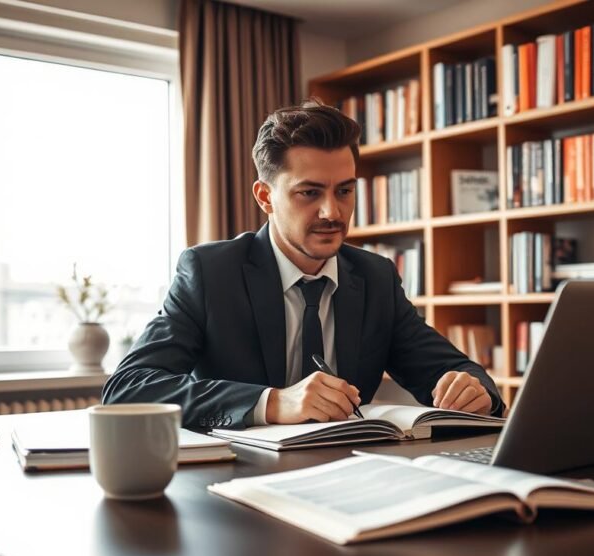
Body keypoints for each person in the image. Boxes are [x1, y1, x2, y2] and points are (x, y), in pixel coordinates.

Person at [102, 100, 504, 429]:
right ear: (265, 197)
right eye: (309, 193)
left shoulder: (375, 277)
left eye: (344, 191)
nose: (332, 211)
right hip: (235, 485)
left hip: (347, 479)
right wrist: (273, 402)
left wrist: (475, 390)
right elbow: (129, 387)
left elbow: (451, 367)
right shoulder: (210, 272)